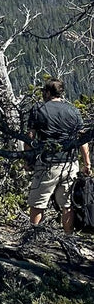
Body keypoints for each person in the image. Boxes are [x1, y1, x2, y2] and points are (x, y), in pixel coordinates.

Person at [27, 78, 91, 234]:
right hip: (70, 164)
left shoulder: (38, 109)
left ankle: (33, 239)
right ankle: (69, 239)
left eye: (44, 91)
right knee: (67, 205)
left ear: (48, 92)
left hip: (47, 164)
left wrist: (28, 160)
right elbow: (82, 140)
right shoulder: (73, 111)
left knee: (38, 204)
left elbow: (30, 137)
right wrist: (87, 163)